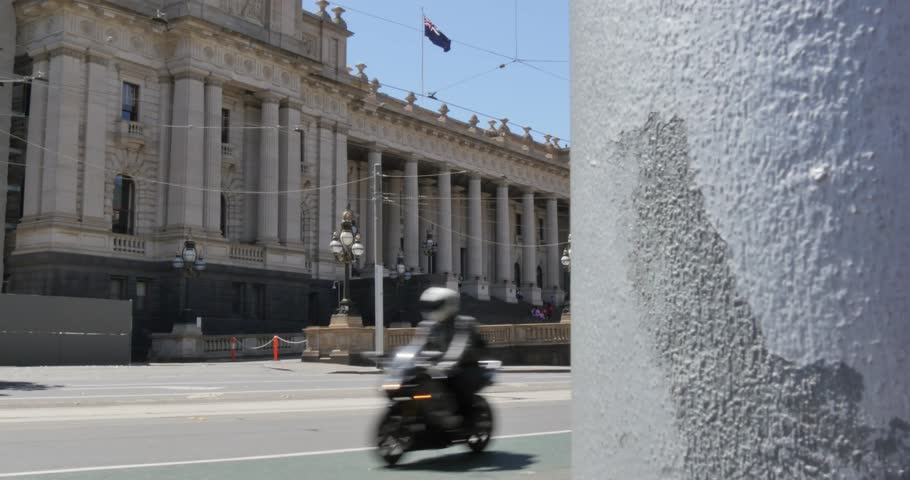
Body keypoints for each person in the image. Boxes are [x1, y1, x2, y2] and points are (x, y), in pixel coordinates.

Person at [417, 287, 488, 429]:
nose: (432, 309)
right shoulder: (429, 326)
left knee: (459, 386)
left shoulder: (464, 323)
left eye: (436, 305)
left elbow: (459, 344)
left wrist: (448, 362)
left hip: (466, 366)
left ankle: (464, 420)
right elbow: (417, 346)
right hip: (441, 367)